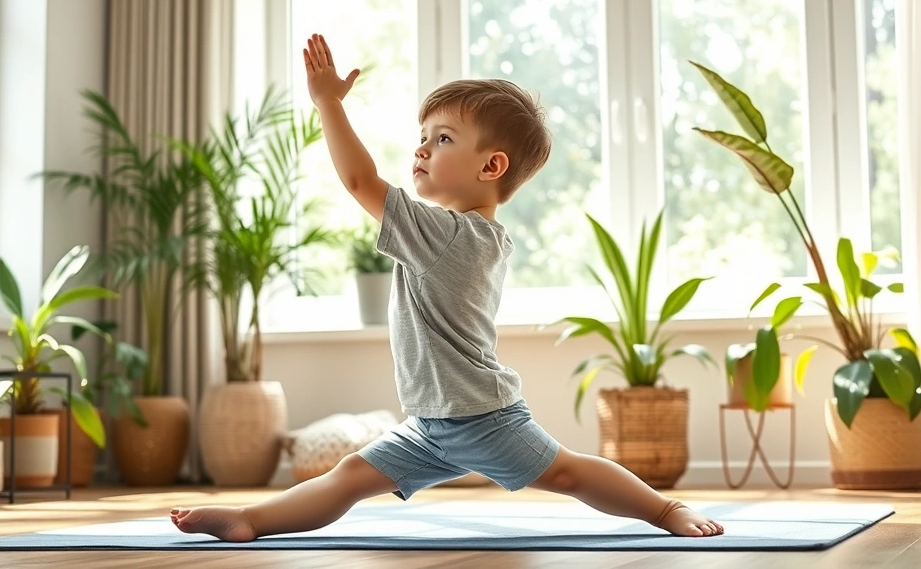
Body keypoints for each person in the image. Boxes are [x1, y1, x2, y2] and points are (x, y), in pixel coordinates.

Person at [170, 33, 725, 542]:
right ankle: (250, 521)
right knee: (349, 478)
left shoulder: (450, 235)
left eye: (442, 139)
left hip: (480, 416)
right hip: (432, 422)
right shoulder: (467, 234)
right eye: (423, 137)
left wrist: (328, 103)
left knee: (566, 471)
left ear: (492, 166)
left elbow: (361, 183)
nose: (421, 150)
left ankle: (663, 510)